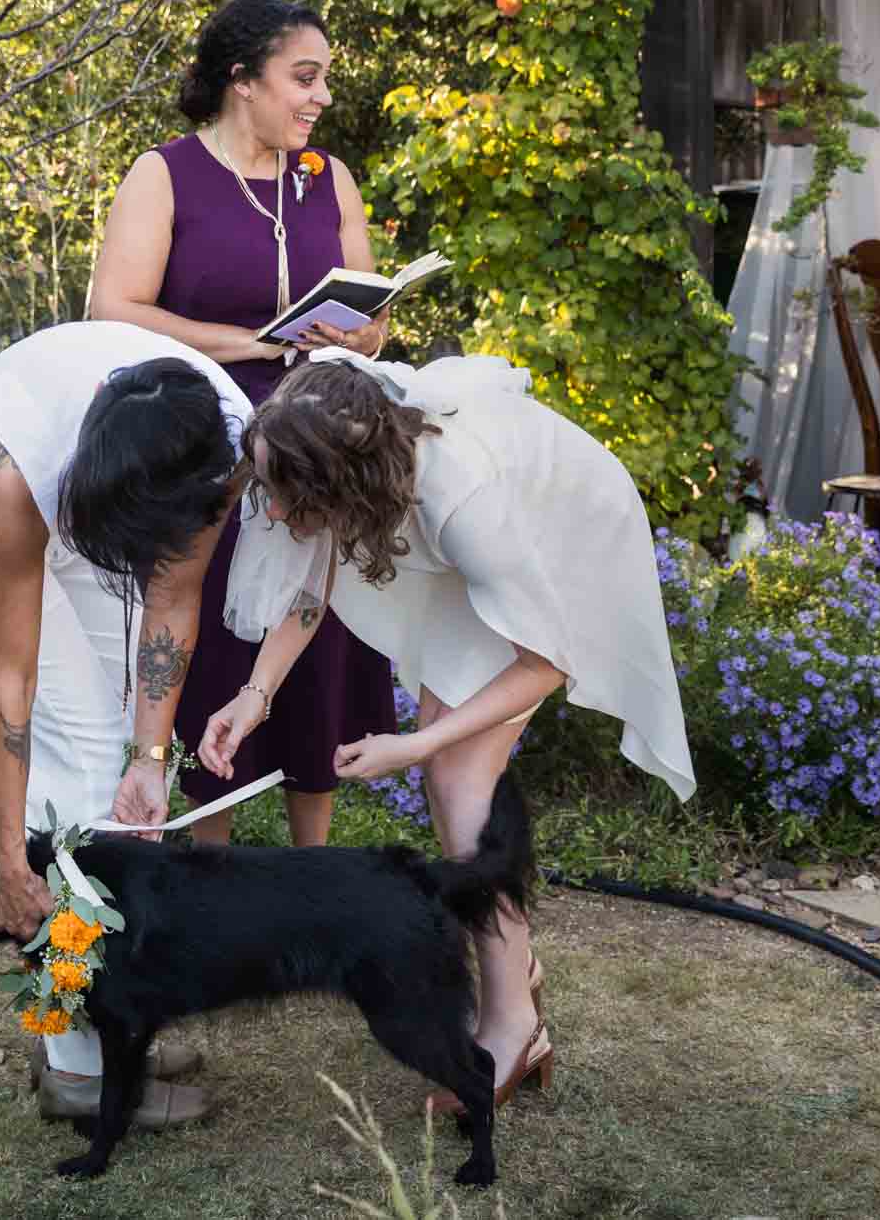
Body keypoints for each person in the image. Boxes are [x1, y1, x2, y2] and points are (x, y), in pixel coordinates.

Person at [196, 349, 695, 1115]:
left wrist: (415, 744)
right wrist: (254, 695)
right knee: (451, 770)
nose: (269, 510)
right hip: (478, 538)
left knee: (459, 772)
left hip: (559, 531)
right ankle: (512, 970)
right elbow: (314, 571)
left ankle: (513, 1024)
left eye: (281, 493)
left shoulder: (466, 507)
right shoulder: (332, 432)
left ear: (337, 485)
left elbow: (545, 660)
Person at [0, 321, 251, 1129]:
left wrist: (153, 757)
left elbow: (170, 600)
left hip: (105, 508)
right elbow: (13, 688)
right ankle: (77, 1067)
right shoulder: (20, 467)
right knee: (83, 751)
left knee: (120, 774)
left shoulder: (219, 434)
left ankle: (112, 1007)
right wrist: (10, 859)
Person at [87, 0, 395, 849]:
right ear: (242, 80)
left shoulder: (330, 178)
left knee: (320, 641)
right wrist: (249, 342)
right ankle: (208, 864)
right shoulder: (167, 173)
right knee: (212, 635)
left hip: (321, 453)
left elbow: (374, 316)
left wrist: (360, 329)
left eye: (324, 79)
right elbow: (111, 307)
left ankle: (311, 870)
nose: (320, 96)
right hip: (205, 447)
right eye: (304, 77)